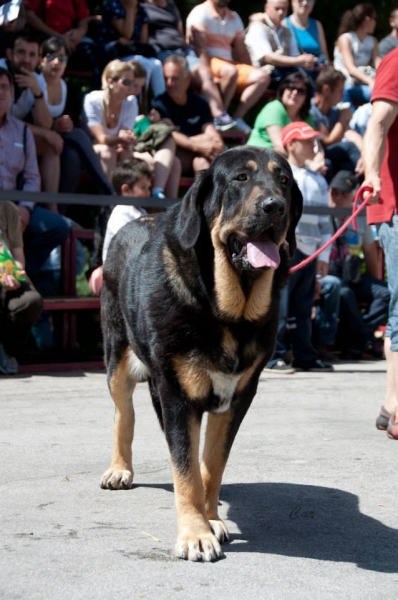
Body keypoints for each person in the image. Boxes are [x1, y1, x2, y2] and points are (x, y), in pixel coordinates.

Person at [264, 121, 334, 373]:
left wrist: (323, 255)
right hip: (285, 250)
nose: (312, 145)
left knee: (304, 307)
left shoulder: (319, 180)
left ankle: (305, 354)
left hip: (311, 251)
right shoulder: (280, 178)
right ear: (291, 144)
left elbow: (325, 221)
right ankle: (274, 356)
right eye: (305, 140)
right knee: (279, 307)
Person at [0, 66, 69, 279]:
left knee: (57, 226)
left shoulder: (22, 131)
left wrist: (25, 209)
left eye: (4, 87)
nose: (1, 93)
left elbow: (32, 177)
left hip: (15, 205)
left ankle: (20, 275)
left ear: (11, 92)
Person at [362, 46, 398, 439]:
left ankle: (391, 402)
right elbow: (377, 123)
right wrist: (372, 174)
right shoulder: (397, 61)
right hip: (395, 202)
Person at [314, 170, 389, 359]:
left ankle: (360, 336)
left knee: (387, 293)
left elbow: (371, 253)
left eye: (344, 193)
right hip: (326, 275)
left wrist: (374, 280)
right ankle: (359, 341)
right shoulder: (322, 215)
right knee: (344, 293)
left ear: (355, 195)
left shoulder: (360, 218)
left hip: (351, 275)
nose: (338, 197)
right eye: (334, 192)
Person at [82, 59, 180, 198]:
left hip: (116, 147)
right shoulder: (92, 100)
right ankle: (110, 203)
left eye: (133, 83)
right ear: (111, 82)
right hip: (93, 148)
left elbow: (123, 136)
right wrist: (121, 139)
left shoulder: (131, 102)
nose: (132, 88)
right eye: (127, 83)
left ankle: (147, 206)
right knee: (108, 152)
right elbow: (101, 139)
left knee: (172, 163)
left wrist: (127, 139)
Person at [38, 36, 114, 199]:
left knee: (73, 156)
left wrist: (66, 125)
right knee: (79, 135)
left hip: (60, 142)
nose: (57, 62)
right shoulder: (34, 84)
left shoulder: (70, 90)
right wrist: (54, 127)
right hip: (37, 139)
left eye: (62, 58)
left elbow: (69, 123)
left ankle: (61, 211)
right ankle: (109, 194)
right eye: (51, 56)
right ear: (41, 60)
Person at [142, 0, 236, 131]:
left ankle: (219, 116)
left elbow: (179, 31)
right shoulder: (143, 7)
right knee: (178, 76)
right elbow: (143, 35)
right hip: (161, 51)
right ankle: (170, 117)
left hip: (183, 51)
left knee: (205, 73)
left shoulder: (171, 5)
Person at [186, 0, 271, 134]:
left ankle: (236, 118)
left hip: (228, 63)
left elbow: (241, 51)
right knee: (230, 71)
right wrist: (208, 75)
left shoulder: (234, 17)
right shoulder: (200, 13)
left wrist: (252, 70)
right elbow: (200, 49)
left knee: (262, 77)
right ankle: (220, 117)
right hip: (208, 61)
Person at [0, 31, 63, 201]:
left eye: (32, 54)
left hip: (17, 138)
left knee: (52, 146)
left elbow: (45, 124)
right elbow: (5, 121)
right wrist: (45, 133)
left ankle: (53, 209)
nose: (26, 59)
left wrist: (37, 93)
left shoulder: (37, 80)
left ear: (38, 59)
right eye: (21, 52)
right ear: (9, 53)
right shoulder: (2, 75)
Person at [151, 54, 224, 176]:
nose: (169, 83)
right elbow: (170, 134)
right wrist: (197, 145)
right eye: (166, 78)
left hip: (199, 156)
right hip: (179, 156)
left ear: (188, 78)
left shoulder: (200, 102)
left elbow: (210, 131)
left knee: (201, 162)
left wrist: (217, 144)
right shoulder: (159, 103)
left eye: (174, 79)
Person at [88, 158, 152, 295]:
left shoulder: (141, 212)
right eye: (143, 188)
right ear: (126, 190)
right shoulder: (120, 212)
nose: (148, 193)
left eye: (149, 188)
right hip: (119, 273)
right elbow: (127, 245)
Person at [0, 200, 43, 374]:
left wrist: (15, 273)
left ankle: (9, 350)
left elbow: (18, 254)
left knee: (31, 301)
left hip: (8, 273)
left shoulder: (8, 209)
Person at [99, 0, 166, 98]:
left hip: (132, 51)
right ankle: (137, 102)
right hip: (114, 53)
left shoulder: (141, 10)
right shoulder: (113, 5)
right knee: (143, 62)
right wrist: (130, 10)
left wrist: (129, 42)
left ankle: (161, 106)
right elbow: (127, 33)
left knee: (156, 64)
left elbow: (143, 40)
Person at [245, 0, 319, 86]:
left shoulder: (286, 31)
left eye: (284, 9)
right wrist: (298, 60)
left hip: (283, 75)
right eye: (277, 9)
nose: (281, 12)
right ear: (266, 7)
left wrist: (309, 62)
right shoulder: (258, 27)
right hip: (263, 75)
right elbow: (268, 57)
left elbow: (295, 55)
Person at [310, 66, 363, 180]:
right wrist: (343, 119)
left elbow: (352, 134)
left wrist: (365, 156)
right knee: (348, 147)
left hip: (331, 157)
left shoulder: (334, 111)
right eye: (340, 91)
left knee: (349, 165)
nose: (343, 96)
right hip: (316, 156)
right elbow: (327, 141)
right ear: (326, 90)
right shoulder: (311, 111)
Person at [247, 71, 315, 155]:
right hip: (259, 158)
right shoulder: (274, 108)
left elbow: (315, 145)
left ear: (306, 97)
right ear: (283, 90)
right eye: (291, 87)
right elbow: (279, 146)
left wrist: (319, 160)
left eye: (301, 91)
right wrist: (307, 162)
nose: (295, 92)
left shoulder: (306, 116)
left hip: (289, 160)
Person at [333, 3, 381, 108]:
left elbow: (380, 65)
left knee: (380, 96)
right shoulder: (346, 39)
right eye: (375, 19)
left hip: (362, 83)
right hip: (345, 83)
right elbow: (350, 69)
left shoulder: (372, 41)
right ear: (367, 19)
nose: (376, 23)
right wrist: (370, 81)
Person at [284, 0, 329, 65]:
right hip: (294, 72)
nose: (305, 3)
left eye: (309, 1)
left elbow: (325, 54)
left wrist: (322, 64)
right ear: (293, 2)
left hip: (317, 72)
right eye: (301, 0)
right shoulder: (284, 24)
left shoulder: (317, 25)